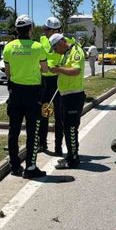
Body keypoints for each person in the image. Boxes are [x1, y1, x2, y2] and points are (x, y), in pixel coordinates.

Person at [3, 14, 49, 179]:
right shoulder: (38, 47)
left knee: (13, 131)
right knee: (32, 132)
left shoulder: (8, 47)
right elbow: (44, 69)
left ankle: (15, 166)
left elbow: (7, 72)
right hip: (33, 94)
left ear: (16, 30)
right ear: (30, 29)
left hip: (15, 93)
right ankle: (30, 167)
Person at [49, 33, 86, 169]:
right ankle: (70, 155)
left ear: (60, 43)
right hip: (66, 95)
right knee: (67, 127)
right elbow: (67, 69)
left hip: (74, 95)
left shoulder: (76, 51)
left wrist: (58, 69)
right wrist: (58, 69)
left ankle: (73, 159)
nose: (55, 51)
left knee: (71, 128)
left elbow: (76, 70)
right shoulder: (66, 53)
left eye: (54, 48)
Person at [38, 17, 64, 156]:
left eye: (47, 30)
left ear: (55, 30)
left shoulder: (63, 41)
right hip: (45, 83)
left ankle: (58, 146)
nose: (44, 31)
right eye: (45, 29)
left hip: (58, 81)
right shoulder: (41, 40)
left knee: (59, 116)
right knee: (44, 113)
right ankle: (42, 143)